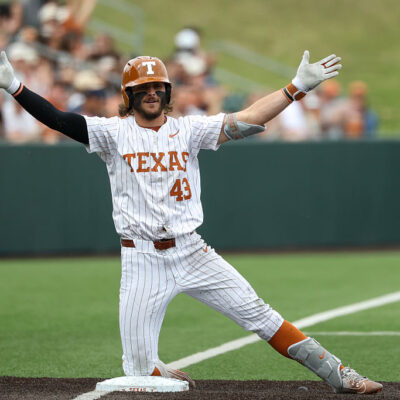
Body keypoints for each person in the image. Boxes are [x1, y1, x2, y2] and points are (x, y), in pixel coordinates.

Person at [0, 49, 383, 394]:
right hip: (141, 260)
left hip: (192, 251)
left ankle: (338, 373)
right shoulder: (113, 133)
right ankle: (154, 369)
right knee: (134, 372)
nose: (151, 93)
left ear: (167, 93)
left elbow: (247, 119)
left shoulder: (189, 129)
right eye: (143, 88)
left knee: (259, 314)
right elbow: (59, 119)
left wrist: (296, 87)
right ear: (128, 95)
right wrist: (15, 86)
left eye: (157, 87)